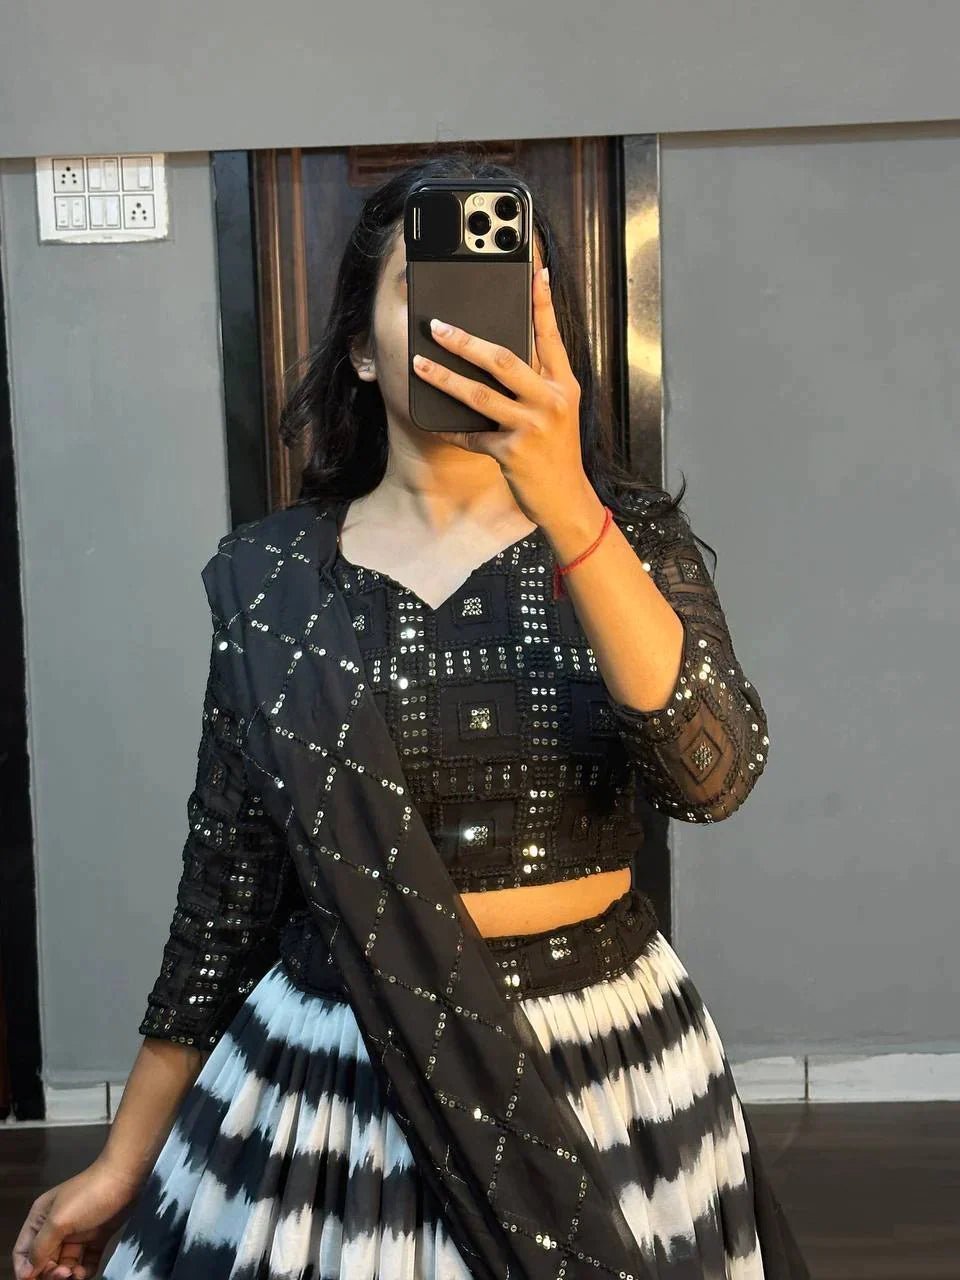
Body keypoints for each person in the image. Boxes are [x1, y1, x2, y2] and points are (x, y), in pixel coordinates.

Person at [13, 153, 808, 1280]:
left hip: (599, 1071)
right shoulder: (273, 579)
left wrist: (565, 497)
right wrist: (121, 1161)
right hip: (336, 1081)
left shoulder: (624, 539)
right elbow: (223, 899)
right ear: (359, 345)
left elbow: (710, 771)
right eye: (421, 291)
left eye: (499, 297)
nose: (462, 327)